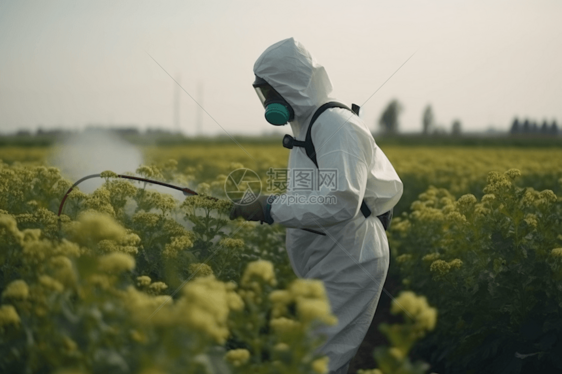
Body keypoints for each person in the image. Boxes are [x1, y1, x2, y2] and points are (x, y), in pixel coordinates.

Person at [230, 37, 403, 374]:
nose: (267, 103)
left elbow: (341, 201)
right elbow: (314, 189)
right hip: (331, 253)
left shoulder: (337, 126)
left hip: (350, 257)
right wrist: (264, 203)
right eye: (262, 94)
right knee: (316, 354)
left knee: (318, 361)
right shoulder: (309, 125)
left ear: (289, 86)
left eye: (269, 92)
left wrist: (270, 208)